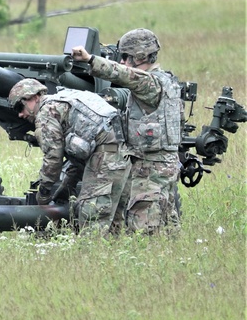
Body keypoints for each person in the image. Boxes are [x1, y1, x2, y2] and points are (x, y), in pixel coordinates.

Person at [71, 29, 183, 233]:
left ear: (140, 56)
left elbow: (123, 74)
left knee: (145, 228)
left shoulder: (150, 82)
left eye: (125, 57)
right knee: (166, 219)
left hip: (152, 166)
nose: (122, 61)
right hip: (156, 163)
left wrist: (90, 60)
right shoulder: (166, 80)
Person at [8, 78, 130, 235]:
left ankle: (92, 255)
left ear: (35, 97)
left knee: (91, 215)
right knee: (114, 219)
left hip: (106, 157)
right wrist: (66, 187)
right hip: (122, 154)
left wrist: (43, 193)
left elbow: (53, 158)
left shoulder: (46, 112)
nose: (20, 114)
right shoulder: (65, 99)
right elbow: (81, 154)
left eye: (20, 106)